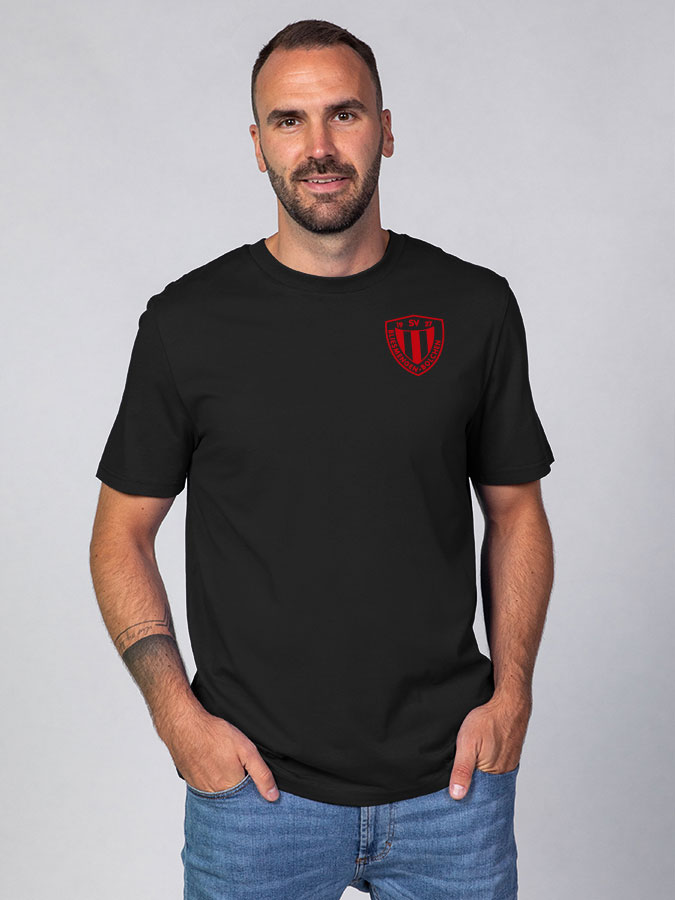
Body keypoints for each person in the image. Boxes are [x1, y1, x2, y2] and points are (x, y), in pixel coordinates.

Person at [89, 18, 555, 900]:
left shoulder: (473, 307)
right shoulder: (187, 324)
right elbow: (119, 534)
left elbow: (515, 511)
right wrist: (177, 719)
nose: (319, 147)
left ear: (386, 129)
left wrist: (513, 697)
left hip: (451, 790)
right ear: (257, 144)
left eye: (344, 114)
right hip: (255, 795)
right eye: (288, 120)